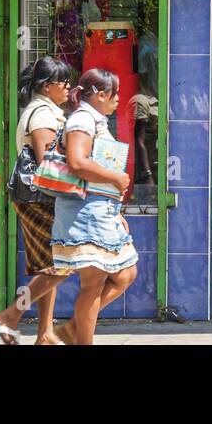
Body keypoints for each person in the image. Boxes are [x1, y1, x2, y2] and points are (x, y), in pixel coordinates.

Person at [49, 68, 137, 346]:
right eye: (115, 94)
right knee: (93, 283)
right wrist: (116, 178)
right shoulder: (82, 120)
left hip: (102, 211)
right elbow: (77, 162)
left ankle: (71, 330)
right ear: (100, 95)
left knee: (125, 273)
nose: (118, 99)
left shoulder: (94, 120)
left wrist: (115, 208)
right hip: (86, 213)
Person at [0, 56, 74, 345]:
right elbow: (46, 163)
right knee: (61, 265)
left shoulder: (45, 110)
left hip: (39, 199)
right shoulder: (42, 115)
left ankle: (45, 333)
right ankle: (10, 315)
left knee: (48, 268)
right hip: (39, 200)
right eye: (62, 82)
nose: (68, 87)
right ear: (46, 86)